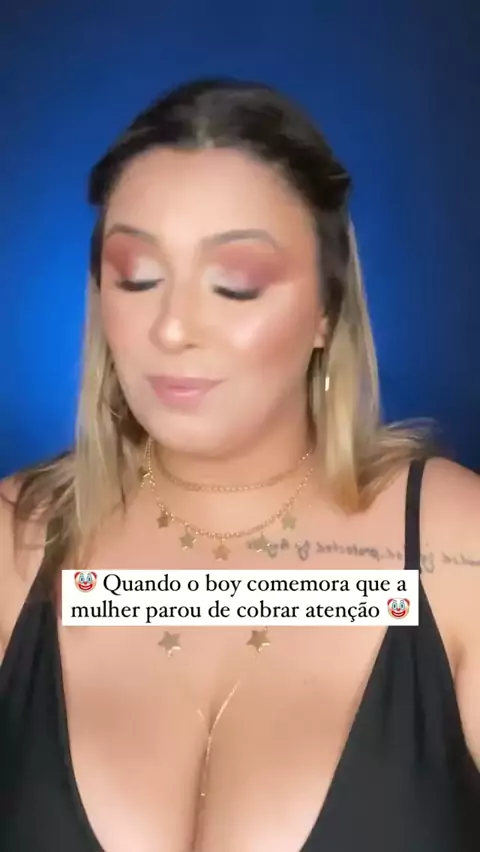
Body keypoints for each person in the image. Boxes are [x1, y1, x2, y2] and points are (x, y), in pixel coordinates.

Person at [0, 77, 479, 852]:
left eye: (236, 285)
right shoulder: (15, 545)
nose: (173, 328)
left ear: (326, 309)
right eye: (137, 277)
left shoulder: (458, 549)